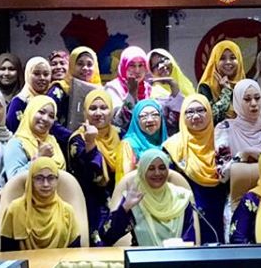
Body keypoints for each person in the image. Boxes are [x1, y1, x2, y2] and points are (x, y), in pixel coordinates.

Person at [98, 149, 198, 246]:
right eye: (151, 169)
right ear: (142, 171)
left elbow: (189, 240)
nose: (157, 173)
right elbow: (107, 236)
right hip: (142, 256)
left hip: (177, 256)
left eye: (162, 168)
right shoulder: (135, 198)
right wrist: (125, 207)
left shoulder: (181, 198)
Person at [163, 93, 227, 243]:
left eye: (201, 110)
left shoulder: (222, 141)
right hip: (188, 214)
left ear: (209, 112)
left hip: (221, 210)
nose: (196, 116)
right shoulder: (173, 146)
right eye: (190, 112)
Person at [68, 89, 123, 235]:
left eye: (103, 108)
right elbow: (93, 177)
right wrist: (91, 143)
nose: (98, 113)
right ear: (85, 113)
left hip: (119, 201)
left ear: (111, 110)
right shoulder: (78, 139)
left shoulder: (120, 134)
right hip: (91, 205)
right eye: (93, 108)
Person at [0, 157, 78, 250]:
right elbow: (6, 252)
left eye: (51, 178)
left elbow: (75, 251)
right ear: (31, 180)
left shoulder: (67, 211)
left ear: (57, 180)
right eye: (39, 178)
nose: (45, 184)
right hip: (24, 259)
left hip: (61, 259)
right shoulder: (15, 209)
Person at [215, 79, 261, 171]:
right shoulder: (225, 129)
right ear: (237, 101)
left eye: (257, 98)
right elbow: (222, 172)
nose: (254, 104)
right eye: (247, 99)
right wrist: (243, 155)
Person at [0, 95, 66, 183]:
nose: (45, 118)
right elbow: (14, 180)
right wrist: (39, 158)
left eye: (51, 116)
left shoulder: (52, 141)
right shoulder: (17, 143)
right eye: (41, 112)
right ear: (30, 112)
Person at [197, 40, 245, 123]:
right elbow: (209, 118)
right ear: (215, 60)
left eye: (233, 58)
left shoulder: (245, 85)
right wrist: (226, 92)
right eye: (222, 58)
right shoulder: (206, 87)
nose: (228, 62)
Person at [118, 99, 167, 180]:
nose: (150, 120)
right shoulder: (129, 145)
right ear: (136, 120)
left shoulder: (167, 143)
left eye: (155, 114)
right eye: (143, 116)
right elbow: (126, 180)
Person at [106, 46, 152, 128]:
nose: (137, 70)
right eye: (132, 65)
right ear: (124, 66)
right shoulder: (112, 88)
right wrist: (131, 94)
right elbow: (118, 122)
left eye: (141, 65)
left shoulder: (148, 88)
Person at [6, 56, 53, 131]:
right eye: (36, 74)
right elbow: (12, 130)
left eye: (46, 74)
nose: (42, 78)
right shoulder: (20, 102)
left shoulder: (50, 101)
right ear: (27, 75)